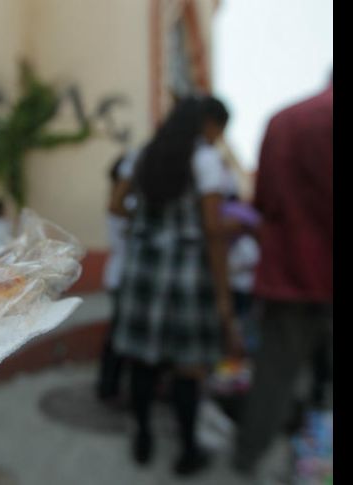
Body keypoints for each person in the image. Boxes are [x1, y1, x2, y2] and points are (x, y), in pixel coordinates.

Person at [110, 95, 246, 476]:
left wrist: (152, 225)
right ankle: (187, 450)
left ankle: (143, 439)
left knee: (142, 359)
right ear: (210, 124)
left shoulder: (143, 154)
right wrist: (223, 300)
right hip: (187, 272)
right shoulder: (204, 160)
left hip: (144, 269)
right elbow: (213, 231)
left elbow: (117, 206)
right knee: (189, 367)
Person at [232, 75, 333, 477]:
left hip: (286, 273)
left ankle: (247, 458)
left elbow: (264, 203)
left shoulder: (282, 120)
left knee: (273, 378)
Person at [96, 149, 139, 403]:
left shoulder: (117, 200)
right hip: (123, 275)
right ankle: (108, 386)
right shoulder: (125, 204)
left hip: (117, 273)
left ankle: (109, 385)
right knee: (118, 336)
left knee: (117, 334)